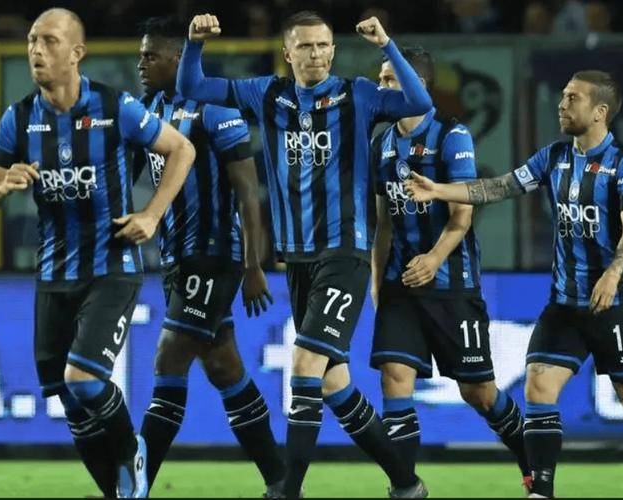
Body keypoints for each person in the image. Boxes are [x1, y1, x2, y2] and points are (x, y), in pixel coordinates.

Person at [177, 10, 433, 498]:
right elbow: (193, 86)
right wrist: (193, 44)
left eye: (323, 45)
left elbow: (419, 101)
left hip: (345, 251)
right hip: (297, 259)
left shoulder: (358, 94)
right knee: (334, 384)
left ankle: (287, 490)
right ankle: (407, 484)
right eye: (305, 46)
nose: (315, 54)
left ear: (333, 51)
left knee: (304, 366)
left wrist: (386, 45)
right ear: (287, 53)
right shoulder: (267, 94)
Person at [0, 8, 195, 498]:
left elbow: (182, 149)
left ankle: (132, 452)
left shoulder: (115, 107)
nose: (36, 50)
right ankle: (118, 492)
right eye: (32, 40)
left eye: (49, 41)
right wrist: (2, 186)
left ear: (76, 53)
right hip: (53, 273)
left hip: (111, 266)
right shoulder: (18, 118)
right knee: (71, 403)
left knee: (83, 378)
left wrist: (152, 214)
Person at [404, 70, 623, 499]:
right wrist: (440, 190)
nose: (561, 104)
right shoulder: (553, 157)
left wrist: (613, 274)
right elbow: (500, 187)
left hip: (617, 304)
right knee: (539, 384)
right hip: (565, 304)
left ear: (600, 111)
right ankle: (541, 491)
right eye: (562, 95)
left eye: (572, 98)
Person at [134, 16, 285, 496]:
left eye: (151, 55)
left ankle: (133, 486)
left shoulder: (217, 110)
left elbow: (248, 192)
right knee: (224, 367)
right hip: (177, 257)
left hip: (214, 256)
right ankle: (282, 482)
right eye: (141, 55)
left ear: (178, 59)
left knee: (168, 360)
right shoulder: (148, 110)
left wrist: (253, 265)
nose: (141, 64)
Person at [370, 47, 531, 490]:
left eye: (389, 80)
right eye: (380, 80)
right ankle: (405, 487)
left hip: (450, 284)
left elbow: (463, 214)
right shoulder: (381, 143)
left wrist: (434, 259)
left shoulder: (451, 135)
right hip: (400, 283)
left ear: (416, 86)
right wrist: (377, 282)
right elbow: (384, 222)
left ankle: (533, 462)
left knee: (479, 393)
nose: (381, 88)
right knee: (394, 378)